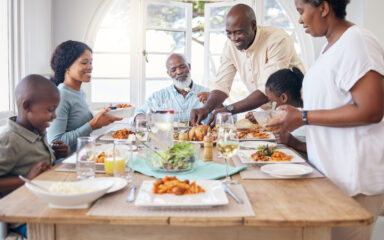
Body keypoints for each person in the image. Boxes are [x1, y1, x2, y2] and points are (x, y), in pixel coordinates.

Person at [268, 0, 384, 239]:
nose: (299, 19)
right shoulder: (329, 48)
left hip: (355, 184)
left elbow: (372, 110)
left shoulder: (357, 42)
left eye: (301, 11)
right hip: (332, 180)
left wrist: (301, 117)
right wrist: (295, 140)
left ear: (323, 7)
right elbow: (332, 115)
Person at [190, 3, 304, 126]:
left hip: (298, 110)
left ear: (253, 25)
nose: (234, 38)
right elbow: (221, 85)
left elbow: (268, 90)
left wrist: (228, 110)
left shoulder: (277, 39)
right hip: (270, 113)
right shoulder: (230, 46)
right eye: (229, 33)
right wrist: (206, 108)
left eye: (238, 32)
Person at [0, 74, 69, 237]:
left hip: (45, 203)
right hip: (26, 216)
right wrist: (27, 179)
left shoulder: (36, 129)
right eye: (50, 110)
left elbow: (34, 160)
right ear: (27, 106)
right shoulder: (9, 141)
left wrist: (55, 153)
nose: (55, 116)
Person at [47, 40, 121, 153]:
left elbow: (80, 127)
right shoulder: (61, 95)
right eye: (84, 63)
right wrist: (92, 124)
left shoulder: (79, 93)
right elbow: (55, 142)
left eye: (91, 63)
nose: (90, 67)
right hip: (65, 164)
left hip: (83, 157)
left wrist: (102, 120)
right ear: (67, 66)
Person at [133, 53, 212, 124]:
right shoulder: (159, 96)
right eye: (173, 70)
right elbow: (138, 114)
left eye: (182, 67)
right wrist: (149, 119)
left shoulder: (207, 93)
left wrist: (216, 103)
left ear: (189, 66)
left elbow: (222, 115)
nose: (179, 72)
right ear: (169, 74)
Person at [254, 67, 307, 153]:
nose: (270, 104)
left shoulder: (306, 118)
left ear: (283, 98)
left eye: (271, 100)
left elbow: (318, 150)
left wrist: (293, 142)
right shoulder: (283, 115)